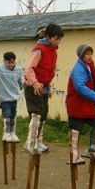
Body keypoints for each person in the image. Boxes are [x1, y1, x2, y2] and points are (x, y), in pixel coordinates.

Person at [23, 23, 64, 154]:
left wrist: (48, 87)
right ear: (48, 37)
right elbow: (29, 69)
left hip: (44, 87)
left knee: (44, 113)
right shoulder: (39, 50)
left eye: (60, 39)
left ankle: (38, 141)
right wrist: (35, 83)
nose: (58, 41)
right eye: (56, 38)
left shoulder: (53, 52)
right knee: (36, 113)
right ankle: (31, 143)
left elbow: (47, 71)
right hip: (33, 86)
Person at [66, 44, 95, 164]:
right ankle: (74, 155)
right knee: (76, 130)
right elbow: (80, 87)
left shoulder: (88, 66)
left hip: (86, 104)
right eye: (87, 54)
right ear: (81, 55)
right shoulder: (78, 69)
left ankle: (92, 149)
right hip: (76, 105)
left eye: (91, 53)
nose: (90, 56)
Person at [0, 51, 23, 142]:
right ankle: (6, 133)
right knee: (7, 114)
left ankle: (12, 133)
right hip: (4, 98)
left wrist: (22, 87)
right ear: (4, 61)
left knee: (13, 115)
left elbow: (19, 82)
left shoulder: (18, 70)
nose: (11, 64)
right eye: (8, 63)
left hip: (14, 97)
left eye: (12, 62)